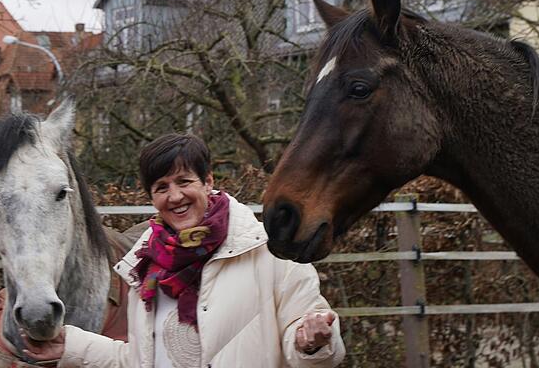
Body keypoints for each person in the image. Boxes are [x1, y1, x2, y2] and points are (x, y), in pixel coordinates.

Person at [21, 133, 346, 367]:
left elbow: (308, 345)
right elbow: (140, 359)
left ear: (208, 181)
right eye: (161, 187)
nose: (174, 196)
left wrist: (312, 342)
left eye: (184, 181)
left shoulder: (270, 253)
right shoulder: (145, 266)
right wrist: (72, 346)